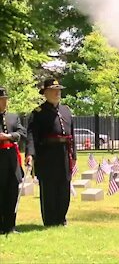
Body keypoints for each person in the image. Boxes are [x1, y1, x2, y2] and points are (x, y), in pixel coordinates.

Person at [25, 79, 77, 227]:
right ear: (45, 93)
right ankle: (50, 220)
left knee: (64, 188)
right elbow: (31, 136)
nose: (57, 93)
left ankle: (62, 218)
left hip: (64, 155)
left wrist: (74, 155)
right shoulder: (38, 113)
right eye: (53, 90)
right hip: (47, 155)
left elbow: (71, 135)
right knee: (49, 189)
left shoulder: (66, 110)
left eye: (59, 90)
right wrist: (30, 154)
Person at [0, 87, 26, 234]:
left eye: (5, 100)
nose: (3, 103)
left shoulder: (13, 117)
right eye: (1, 100)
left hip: (11, 160)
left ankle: (11, 226)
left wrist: (9, 136)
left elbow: (21, 132)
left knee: (11, 193)